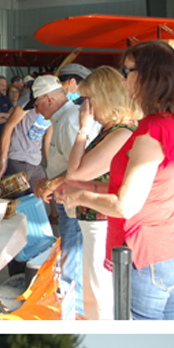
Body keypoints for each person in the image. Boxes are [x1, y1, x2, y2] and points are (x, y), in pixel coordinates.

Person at [57, 41, 174, 320]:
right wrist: (88, 188)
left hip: (145, 253)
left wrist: (80, 196)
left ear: (148, 76)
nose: (123, 78)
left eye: (127, 71)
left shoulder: (152, 129)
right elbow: (154, 188)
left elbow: (125, 205)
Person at [41, 67, 139, 319]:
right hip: (94, 218)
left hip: (102, 221)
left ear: (106, 98)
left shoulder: (121, 132)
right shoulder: (111, 130)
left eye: (90, 99)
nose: (86, 106)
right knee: (94, 288)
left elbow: (75, 172)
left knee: (99, 291)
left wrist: (83, 130)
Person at [30, 74, 99, 319]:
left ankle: (74, 312)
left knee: (74, 259)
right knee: (71, 256)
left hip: (75, 203)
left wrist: (50, 183)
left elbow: (79, 169)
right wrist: (46, 180)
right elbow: (65, 163)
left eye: (37, 104)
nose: (37, 110)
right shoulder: (63, 119)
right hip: (66, 199)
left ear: (49, 99)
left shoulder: (70, 120)